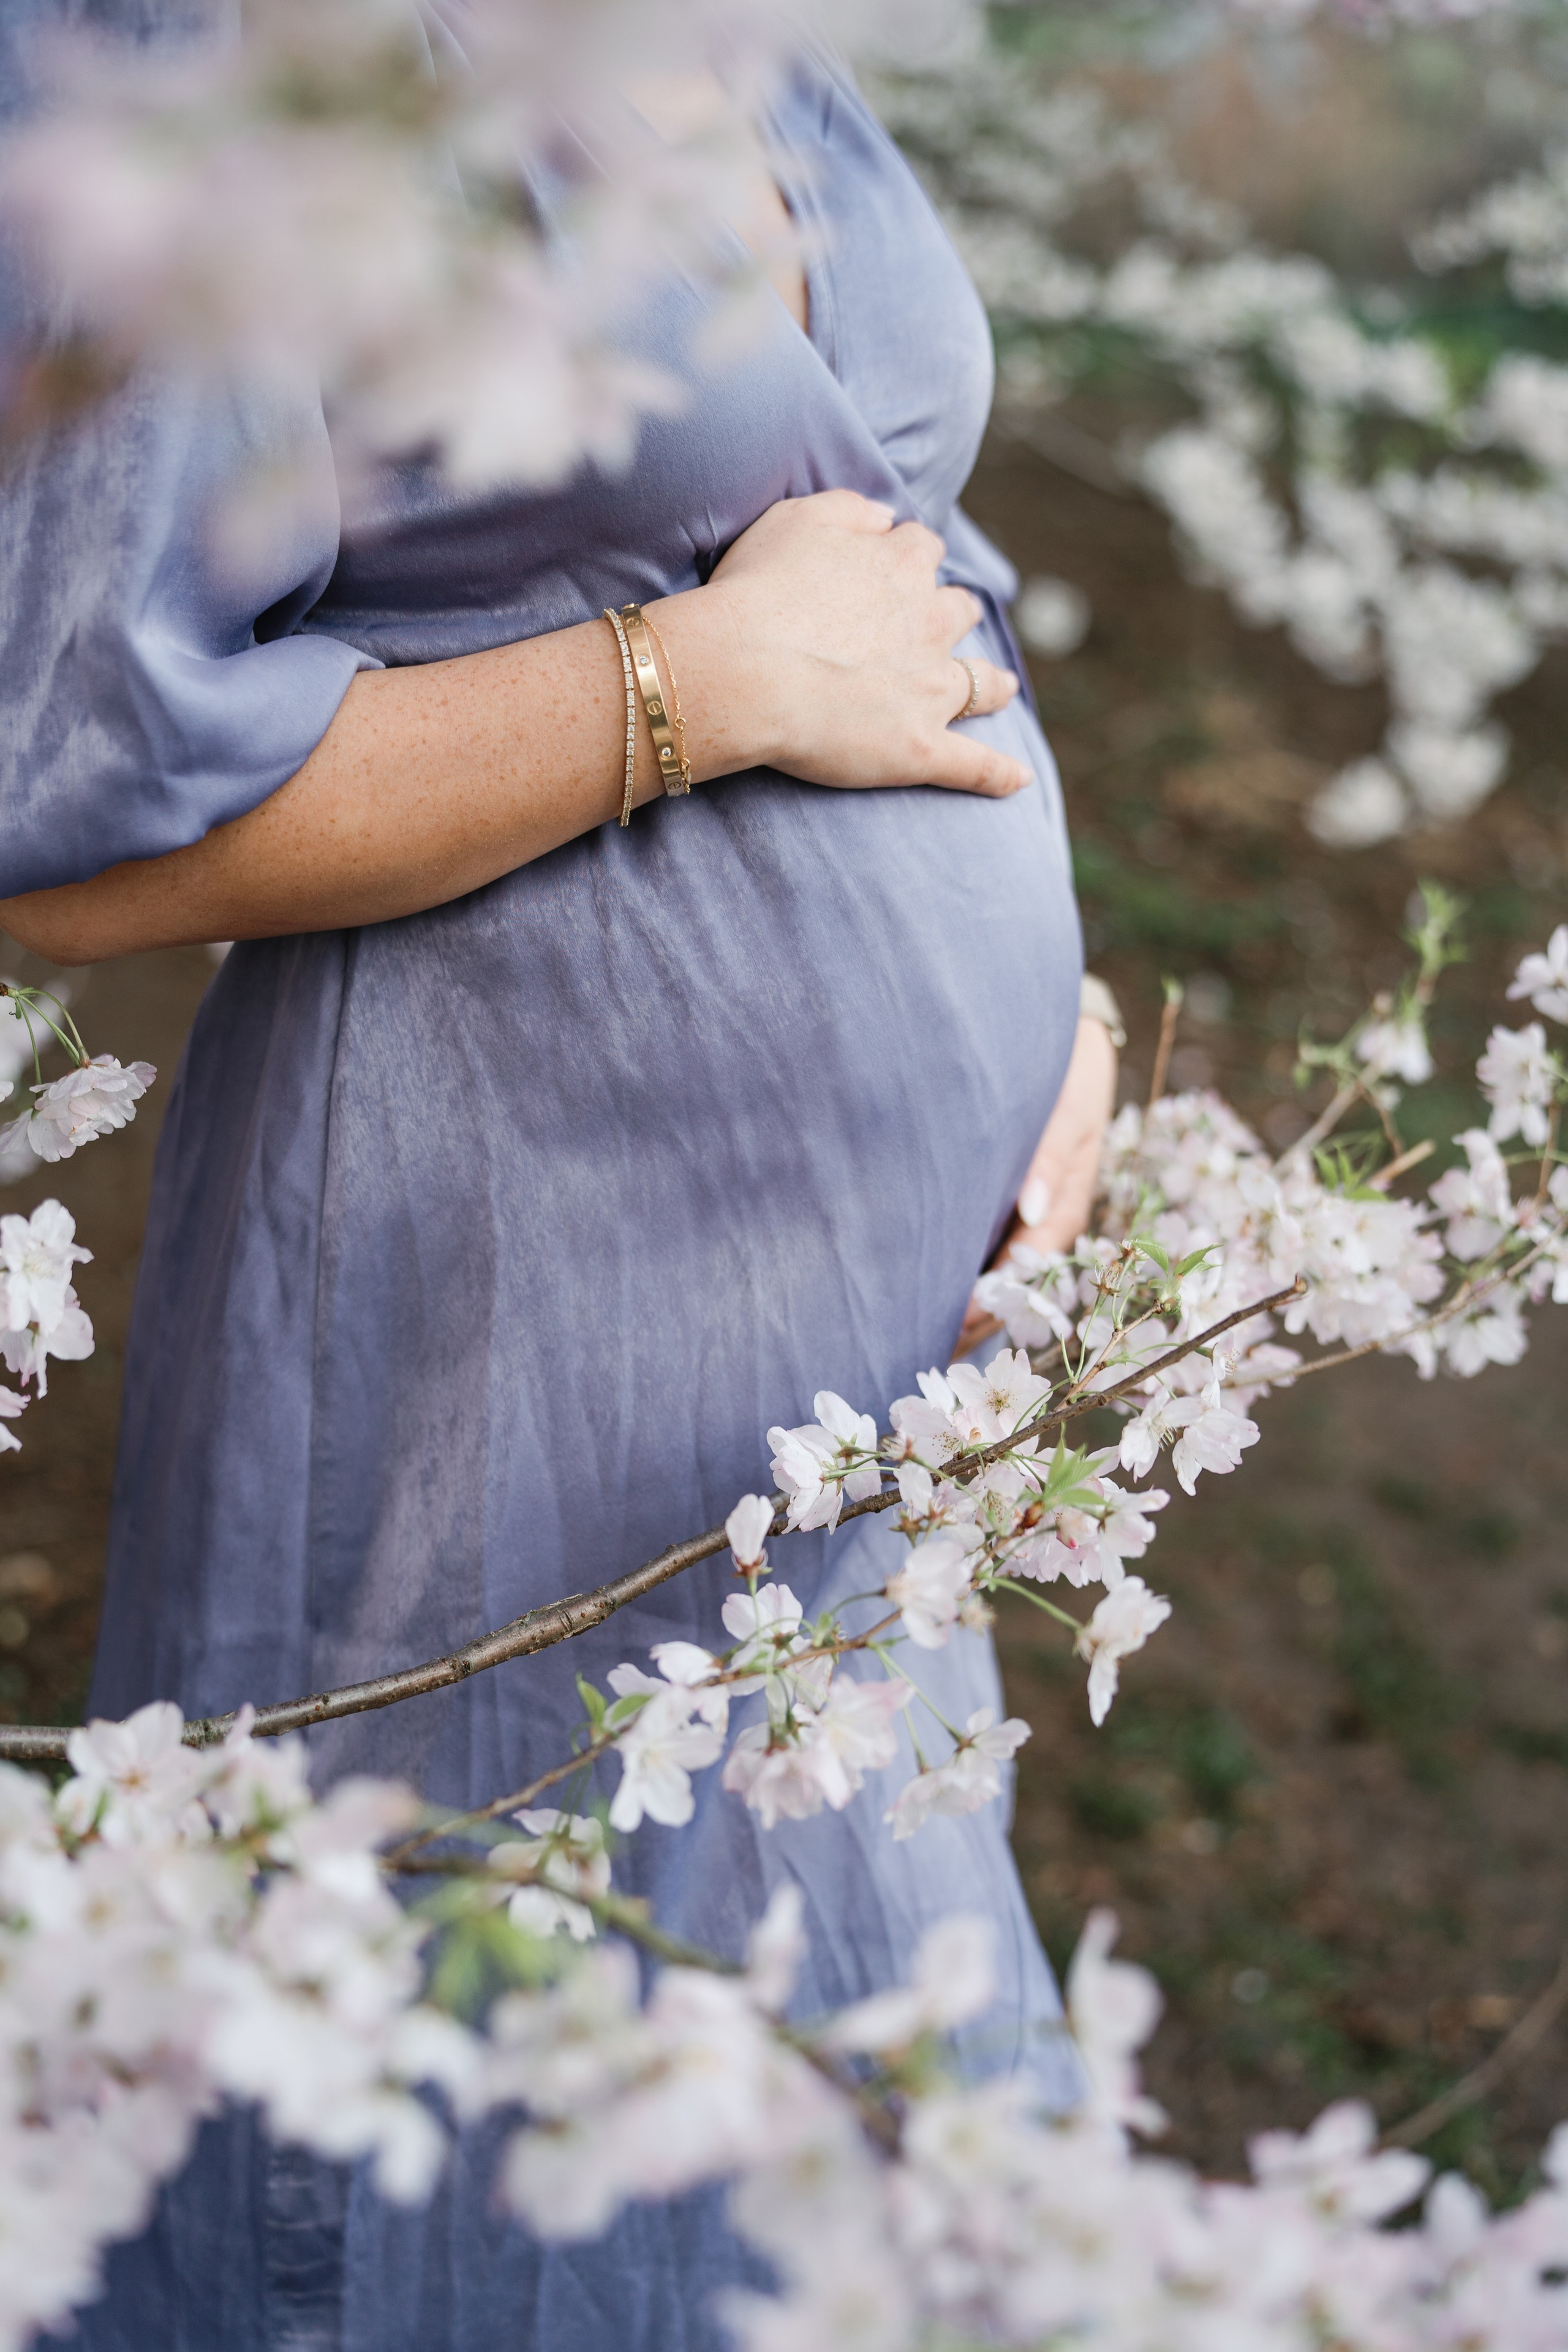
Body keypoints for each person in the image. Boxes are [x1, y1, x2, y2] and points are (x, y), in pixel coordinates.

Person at [1, 29, 1116, 2350]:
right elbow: (60, 823)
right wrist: (697, 682)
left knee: (841, 2106)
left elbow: (901, 541)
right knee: (487, 2097)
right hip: (516, 1321)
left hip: (865, 1371)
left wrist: (1060, 1012)